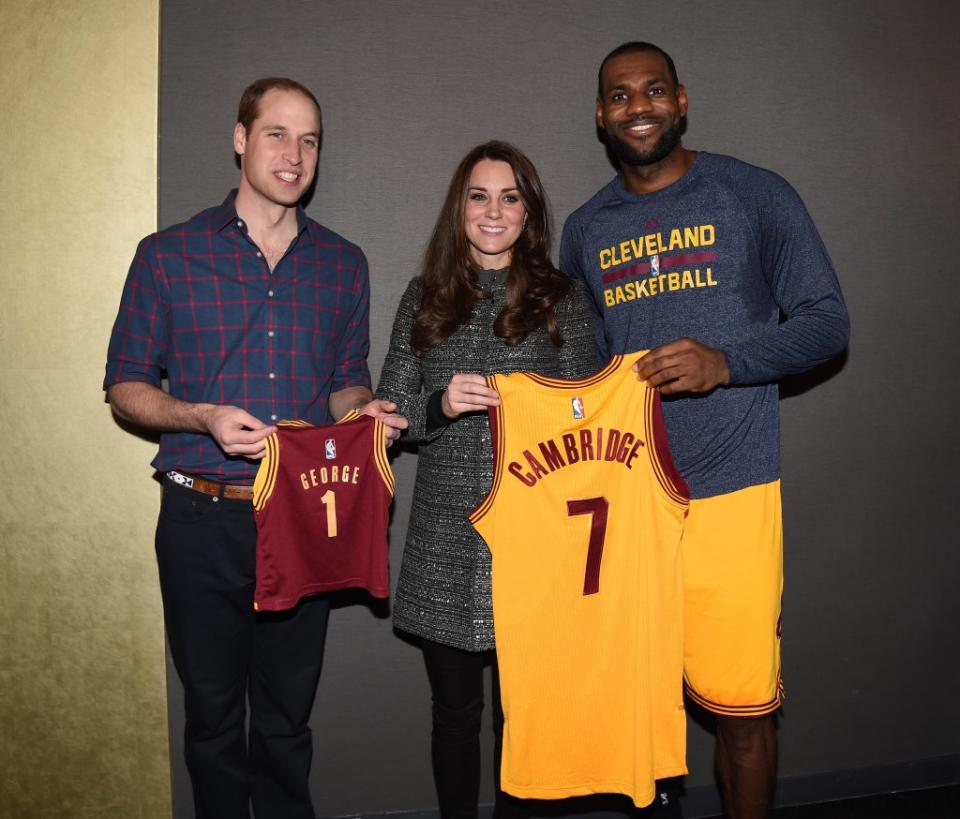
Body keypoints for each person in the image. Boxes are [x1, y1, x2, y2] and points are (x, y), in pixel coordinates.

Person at [560, 43, 850, 819]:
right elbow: (585, 370)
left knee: (744, 712)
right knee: (639, 717)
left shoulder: (753, 195)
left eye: (653, 91)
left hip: (733, 491)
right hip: (629, 504)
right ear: (600, 115)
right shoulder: (585, 229)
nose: (638, 107)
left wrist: (728, 362)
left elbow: (828, 322)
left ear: (681, 101)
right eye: (619, 96)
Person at [104, 77, 405, 819]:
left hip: (301, 517)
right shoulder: (167, 256)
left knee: (285, 719)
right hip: (199, 516)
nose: (293, 153)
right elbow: (124, 387)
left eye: (309, 140)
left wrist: (365, 414)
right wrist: (202, 415)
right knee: (210, 719)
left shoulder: (344, 264)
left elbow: (344, 381)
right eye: (277, 133)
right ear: (241, 139)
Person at [376, 141, 600, 819]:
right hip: (445, 540)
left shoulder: (564, 298)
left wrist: (553, 405)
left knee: (521, 716)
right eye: (479, 196)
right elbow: (384, 415)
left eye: (510, 197)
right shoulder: (424, 296)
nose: (494, 211)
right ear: (459, 208)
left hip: (535, 540)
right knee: (453, 715)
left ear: (528, 213)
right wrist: (440, 403)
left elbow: (591, 410)